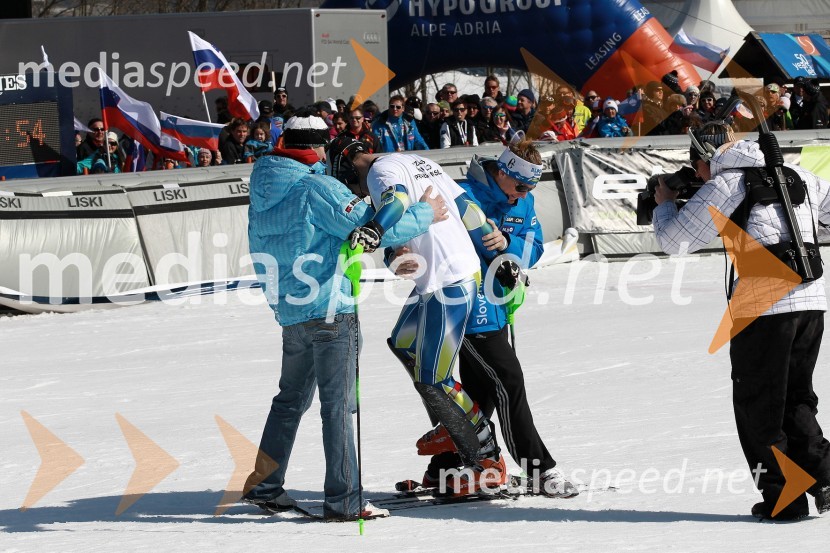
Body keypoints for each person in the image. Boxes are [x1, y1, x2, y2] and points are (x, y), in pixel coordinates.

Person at [241, 108, 448, 521]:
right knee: (338, 406)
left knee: (288, 402)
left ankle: (265, 483)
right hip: (332, 310)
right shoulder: (317, 187)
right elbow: (371, 228)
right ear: (318, 147)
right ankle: (344, 500)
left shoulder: (262, 186)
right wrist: (425, 213)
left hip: (291, 310)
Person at [652, 121, 830, 521]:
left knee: (759, 406)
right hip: (811, 301)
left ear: (705, 157)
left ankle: (784, 499)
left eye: (696, 164)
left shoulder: (726, 183)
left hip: (765, 308)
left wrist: (665, 202)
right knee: (796, 398)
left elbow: (674, 241)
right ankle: (825, 476)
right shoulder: (796, 173)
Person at [395, 138, 578, 498]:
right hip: (460, 304)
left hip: (495, 307)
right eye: (519, 186)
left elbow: (534, 244)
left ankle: (445, 468)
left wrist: (508, 243)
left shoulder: (521, 202)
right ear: (502, 171)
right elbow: (418, 228)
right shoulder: (462, 193)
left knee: (478, 394)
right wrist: (400, 252)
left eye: (530, 188)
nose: (521, 195)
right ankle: (538, 469)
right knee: (508, 381)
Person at [334, 140, 509, 496]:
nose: (358, 193)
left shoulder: (381, 171)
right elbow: (466, 206)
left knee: (433, 377)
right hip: (440, 278)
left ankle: (488, 460)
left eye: (349, 183)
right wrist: (486, 238)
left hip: (450, 279)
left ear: (350, 165)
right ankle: (453, 423)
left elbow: (396, 203)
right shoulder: (415, 160)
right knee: (402, 344)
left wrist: (376, 231)